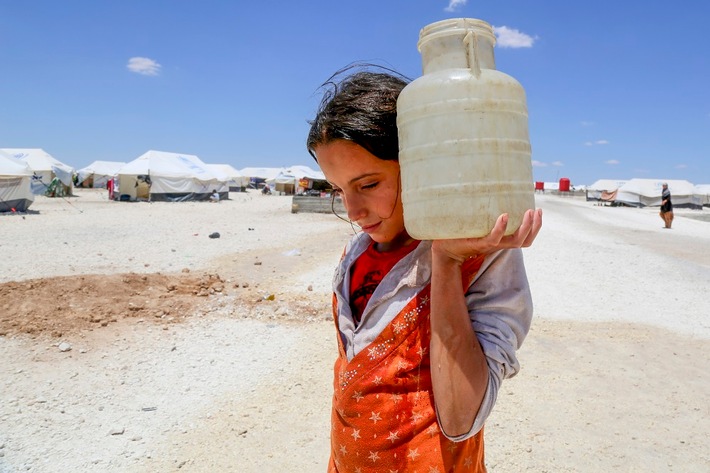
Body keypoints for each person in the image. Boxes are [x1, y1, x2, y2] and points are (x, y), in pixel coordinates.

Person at [306, 68, 543, 472]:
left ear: (422, 167)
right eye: (339, 190)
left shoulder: (482, 258)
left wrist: (447, 263)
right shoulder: (356, 252)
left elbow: (460, 418)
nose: (352, 211)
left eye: (367, 185)